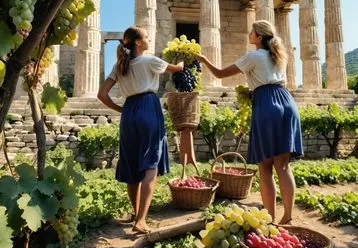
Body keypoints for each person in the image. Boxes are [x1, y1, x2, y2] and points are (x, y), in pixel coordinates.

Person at [197, 20, 303, 224]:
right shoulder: (279, 55)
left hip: (267, 105)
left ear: (259, 37)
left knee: (265, 167)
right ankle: (288, 216)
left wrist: (204, 60)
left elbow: (219, 73)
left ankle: (270, 218)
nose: (249, 34)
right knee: (283, 167)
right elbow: (270, 81)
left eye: (252, 31)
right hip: (287, 102)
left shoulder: (253, 56)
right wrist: (254, 89)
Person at [97, 26, 183, 234]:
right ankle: (141, 221)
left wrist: (121, 109)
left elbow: (102, 94)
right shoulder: (149, 60)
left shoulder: (119, 66)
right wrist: (182, 60)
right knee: (150, 163)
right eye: (145, 37)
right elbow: (177, 69)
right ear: (137, 42)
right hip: (147, 106)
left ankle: (137, 214)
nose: (148, 39)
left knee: (132, 165)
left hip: (130, 112)